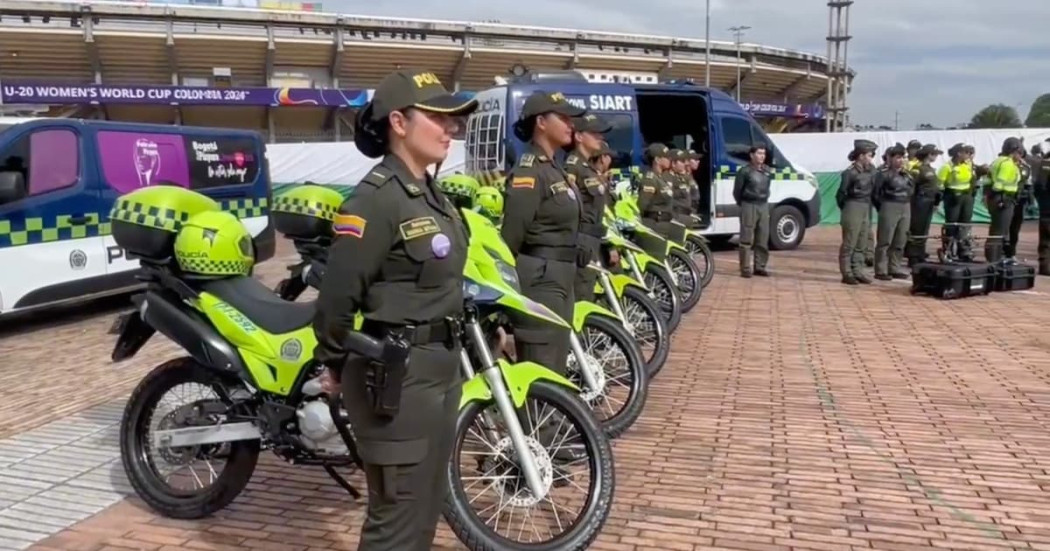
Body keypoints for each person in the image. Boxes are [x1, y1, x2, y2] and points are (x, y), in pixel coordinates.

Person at [311, 69, 477, 551]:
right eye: (439, 118)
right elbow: (337, 301)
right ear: (399, 123)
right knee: (396, 519)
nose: (451, 129)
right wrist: (337, 364)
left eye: (455, 120)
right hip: (396, 380)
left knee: (424, 509)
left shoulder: (430, 194)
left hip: (439, 371)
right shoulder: (374, 201)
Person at [500, 90, 584, 374]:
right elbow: (512, 235)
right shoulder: (530, 171)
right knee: (541, 365)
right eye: (562, 117)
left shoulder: (553, 168)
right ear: (541, 123)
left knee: (556, 360)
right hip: (541, 277)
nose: (570, 124)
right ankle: (533, 420)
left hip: (561, 274)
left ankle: (546, 419)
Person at [564, 112, 612, 302]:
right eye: (595, 134)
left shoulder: (588, 167)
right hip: (581, 238)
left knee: (588, 288)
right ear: (579, 137)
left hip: (592, 237)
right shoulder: (573, 166)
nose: (600, 138)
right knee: (581, 293)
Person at [836, 140, 878, 285]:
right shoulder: (850, 173)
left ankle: (858, 270)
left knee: (862, 240)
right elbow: (841, 194)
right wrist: (847, 209)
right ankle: (847, 273)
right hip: (853, 205)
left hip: (865, 206)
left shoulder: (871, 171)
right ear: (860, 156)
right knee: (850, 242)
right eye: (869, 155)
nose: (871, 158)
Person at [873, 144, 913, 279]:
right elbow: (876, 194)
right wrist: (883, 207)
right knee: (885, 240)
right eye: (897, 157)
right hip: (890, 204)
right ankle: (880, 270)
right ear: (889, 158)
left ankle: (894, 267)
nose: (901, 160)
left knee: (900, 239)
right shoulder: (883, 174)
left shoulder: (907, 174)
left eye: (903, 157)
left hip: (905, 206)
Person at [733, 145, 771, 277]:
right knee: (746, 239)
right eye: (759, 153)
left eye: (764, 154)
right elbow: (737, 191)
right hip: (749, 204)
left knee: (763, 238)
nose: (762, 156)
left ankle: (760, 266)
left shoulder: (767, 171)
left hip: (763, 205)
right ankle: (745, 268)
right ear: (752, 155)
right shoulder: (745, 171)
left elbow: (767, 188)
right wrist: (743, 204)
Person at [984, 137, 1024, 263]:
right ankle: (994, 259)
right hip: (1004, 198)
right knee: (1000, 231)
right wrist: (1003, 197)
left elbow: (989, 181)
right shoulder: (1007, 164)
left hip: (996, 198)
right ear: (1014, 151)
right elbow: (999, 184)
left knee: (996, 229)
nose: (1021, 156)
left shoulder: (998, 161)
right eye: (1020, 153)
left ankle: (993, 257)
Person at [904, 144, 943, 266]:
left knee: (924, 229)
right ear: (928, 154)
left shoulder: (930, 169)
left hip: (929, 201)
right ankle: (913, 256)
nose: (936, 156)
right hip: (919, 201)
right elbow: (911, 187)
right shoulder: (917, 169)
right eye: (934, 154)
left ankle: (920, 253)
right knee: (917, 229)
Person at [937, 143, 977, 261]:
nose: (968, 155)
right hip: (953, 196)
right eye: (966, 152)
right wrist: (939, 198)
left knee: (965, 223)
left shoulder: (968, 165)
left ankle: (964, 250)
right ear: (959, 153)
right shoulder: (948, 166)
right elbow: (939, 184)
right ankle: (948, 250)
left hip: (966, 196)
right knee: (952, 224)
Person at [636, 143, 676, 236]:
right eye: (666, 157)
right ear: (657, 159)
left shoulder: (660, 178)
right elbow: (642, 205)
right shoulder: (650, 179)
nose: (669, 159)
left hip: (664, 223)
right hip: (655, 224)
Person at [669, 149, 697, 229]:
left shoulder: (681, 177)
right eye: (681, 161)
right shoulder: (668, 178)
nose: (685, 164)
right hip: (677, 216)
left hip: (685, 215)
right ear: (673, 163)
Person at [1034, 144, 1050, 275]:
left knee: (1045, 238)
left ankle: (1044, 266)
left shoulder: (1043, 164)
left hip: (1045, 204)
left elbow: (1038, 186)